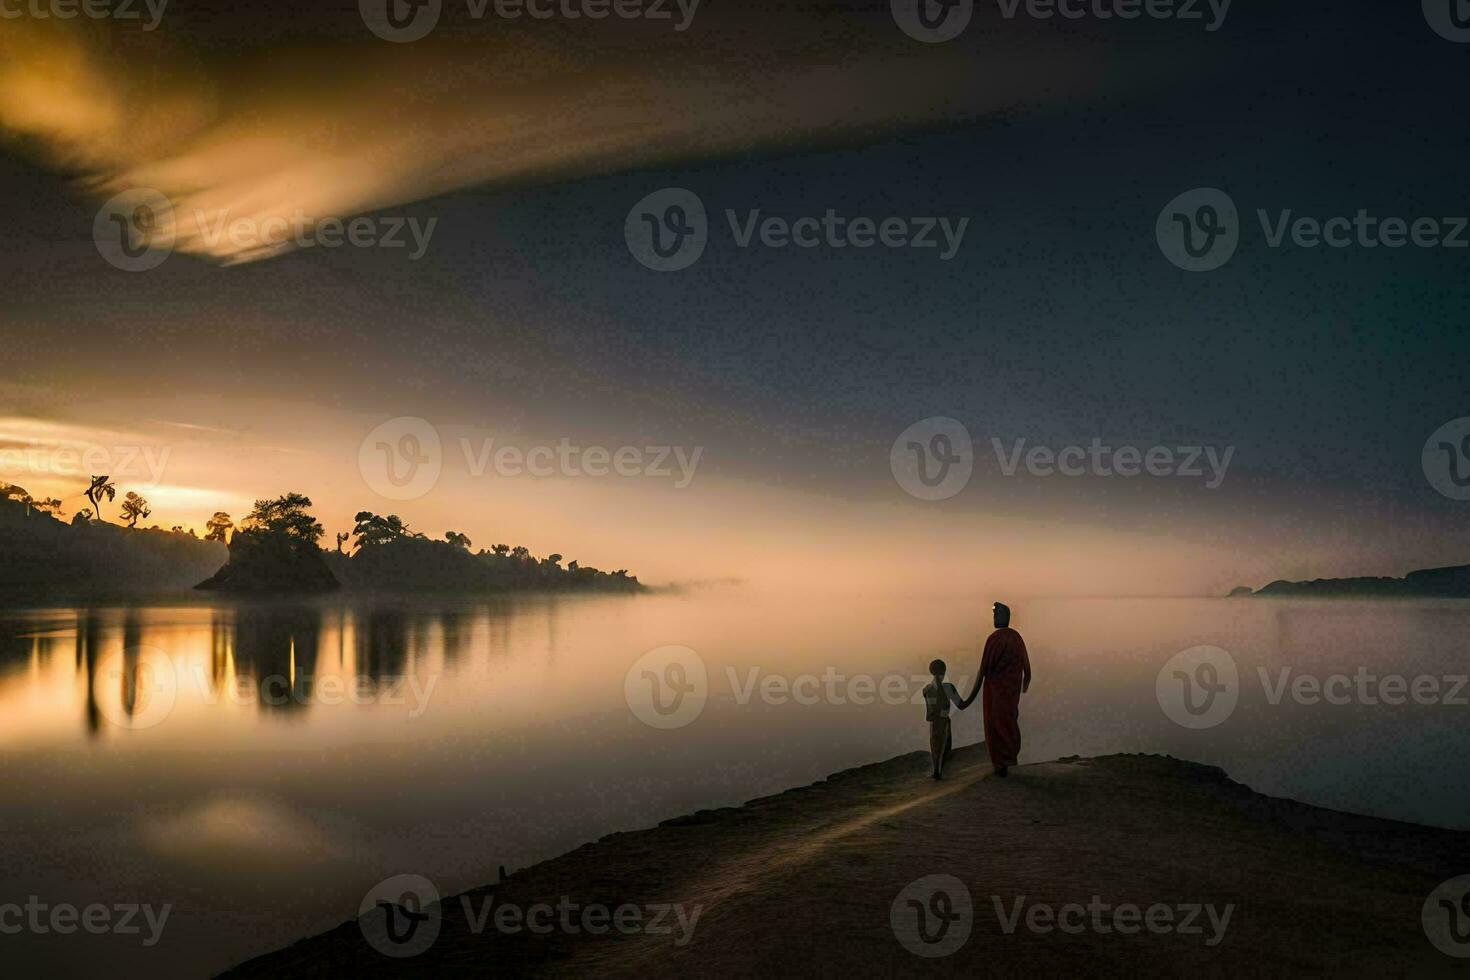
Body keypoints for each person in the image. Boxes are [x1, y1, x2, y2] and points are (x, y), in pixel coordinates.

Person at [963, 601, 1031, 778]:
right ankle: (1010, 761)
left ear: (1003, 617)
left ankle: (1002, 765)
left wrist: (967, 700)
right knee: (1009, 723)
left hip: (995, 693)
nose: (994, 618)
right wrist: (1024, 687)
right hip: (1011, 694)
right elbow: (1027, 669)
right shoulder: (1017, 638)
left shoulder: (994, 639)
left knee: (996, 725)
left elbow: (982, 670)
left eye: (996, 615)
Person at [922, 658, 970, 779]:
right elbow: (961, 705)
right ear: (944, 671)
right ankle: (939, 773)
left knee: (935, 747)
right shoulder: (948, 688)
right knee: (944, 748)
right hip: (943, 723)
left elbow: (932, 707)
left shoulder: (926, 690)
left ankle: (936, 772)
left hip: (933, 724)